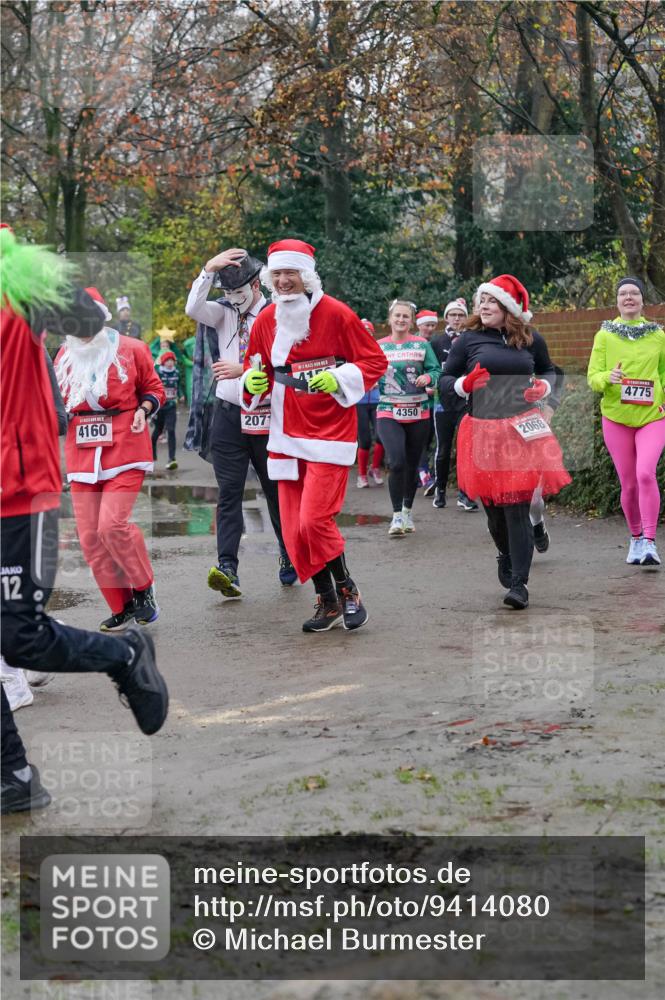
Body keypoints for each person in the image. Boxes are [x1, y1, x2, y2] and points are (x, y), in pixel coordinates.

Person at [1, 227, 168, 815]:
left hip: (17, 488)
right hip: (59, 463)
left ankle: (124, 652)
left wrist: (28, 270)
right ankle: (13, 776)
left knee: (22, 633)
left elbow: (80, 313)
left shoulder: (12, 278)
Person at [242, 239, 387, 632]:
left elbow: (374, 360)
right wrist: (252, 382)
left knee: (313, 521)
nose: (284, 281)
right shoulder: (264, 320)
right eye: (277, 274)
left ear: (306, 275)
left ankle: (349, 590)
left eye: (291, 273)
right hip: (284, 432)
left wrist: (338, 377)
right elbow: (253, 369)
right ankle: (327, 600)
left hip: (330, 431)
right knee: (293, 532)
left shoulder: (336, 312)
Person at [441, 274, 571, 609]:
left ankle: (519, 585)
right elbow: (445, 380)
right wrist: (463, 385)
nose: (484, 307)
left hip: (522, 429)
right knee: (495, 512)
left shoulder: (530, 338)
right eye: (481, 301)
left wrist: (543, 391)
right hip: (482, 430)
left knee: (517, 507)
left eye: (492, 301)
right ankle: (504, 554)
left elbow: (552, 372)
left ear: (508, 308)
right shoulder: (469, 340)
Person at [185, 247, 297, 596]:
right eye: (227, 293)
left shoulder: (279, 315)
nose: (233, 299)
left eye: (238, 291)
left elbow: (288, 365)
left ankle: (288, 555)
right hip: (229, 414)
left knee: (275, 491)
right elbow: (192, 308)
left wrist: (245, 369)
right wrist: (207, 270)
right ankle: (227, 567)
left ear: (256, 285)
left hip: (268, 414)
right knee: (229, 492)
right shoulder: (221, 314)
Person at [55, 287, 166, 630]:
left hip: (125, 446)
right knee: (89, 537)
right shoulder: (62, 357)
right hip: (81, 455)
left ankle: (143, 588)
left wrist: (144, 410)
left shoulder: (132, 349)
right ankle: (122, 604)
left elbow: (154, 388)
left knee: (111, 525)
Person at [587, 277, 665, 566]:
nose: (629, 297)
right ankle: (634, 538)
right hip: (616, 417)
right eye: (623, 293)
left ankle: (649, 542)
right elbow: (592, 377)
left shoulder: (658, 335)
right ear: (617, 301)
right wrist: (609, 377)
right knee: (629, 484)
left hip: (652, 417)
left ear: (643, 301)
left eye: (634, 293)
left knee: (645, 473)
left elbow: (664, 371)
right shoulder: (604, 336)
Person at [375, 300, 440, 537]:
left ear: (411, 321)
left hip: (418, 411)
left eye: (406, 317)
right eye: (397, 316)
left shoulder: (422, 344)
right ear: (390, 318)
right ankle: (396, 517)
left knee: (412, 464)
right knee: (397, 461)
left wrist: (428, 378)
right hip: (388, 410)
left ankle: (408, 511)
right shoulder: (379, 346)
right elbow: (368, 369)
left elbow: (436, 370)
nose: (401, 320)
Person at [426, 298, 478, 511]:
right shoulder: (437, 342)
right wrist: (429, 382)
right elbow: (429, 368)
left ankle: (466, 495)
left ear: (466, 318)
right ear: (446, 317)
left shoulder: (471, 339)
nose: (457, 318)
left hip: (466, 401)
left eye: (460, 315)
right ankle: (440, 491)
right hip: (442, 402)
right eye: (453, 314)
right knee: (443, 449)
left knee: (467, 450)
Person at [529, 363, 565, 553]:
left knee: (534, 498)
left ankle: (537, 522)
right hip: (505, 432)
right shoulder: (495, 354)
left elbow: (557, 375)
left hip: (535, 432)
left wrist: (550, 408)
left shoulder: (536, 351)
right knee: (510, 495)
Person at [356, 318, 385, 488]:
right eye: (363, 331)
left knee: (381, 437)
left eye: (369, 332)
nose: (366, 335)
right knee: (365, 440)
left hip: (377, 400)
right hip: (359, 401)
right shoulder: (352, 350)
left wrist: (377, 381)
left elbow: (386, 371)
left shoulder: (379, 350)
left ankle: (374, 468)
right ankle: (361, 475)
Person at [415, 310, 439, 490]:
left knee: (430, 437)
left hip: (434, 400)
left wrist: (434, 383)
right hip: (415, 398)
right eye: (426, 325)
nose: (429, 328)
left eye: (433, 325)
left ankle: (420, 471)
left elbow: (439, 368)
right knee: (419, 438)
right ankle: (423, 472)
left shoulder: (437, 343)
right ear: (419, 325)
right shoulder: (413, 343)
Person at [152, 350, 182, 470]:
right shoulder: (159, 373)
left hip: (171, 406)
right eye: (168, 360)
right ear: (164, 362)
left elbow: (178, 386)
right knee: (157, 432)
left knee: (171, 430)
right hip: (160, 407)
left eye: (172, 361)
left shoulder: (177, 372)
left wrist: (181, 394)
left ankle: (172, 459)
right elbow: (153, 386)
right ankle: (152, 456)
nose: (170, 363)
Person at [182, 333, 197, 406]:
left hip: (202, 367)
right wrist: (193, 363)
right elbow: (183, 358)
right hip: (191, 369)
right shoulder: (188, 343)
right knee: (190, 385)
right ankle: (191, 403)